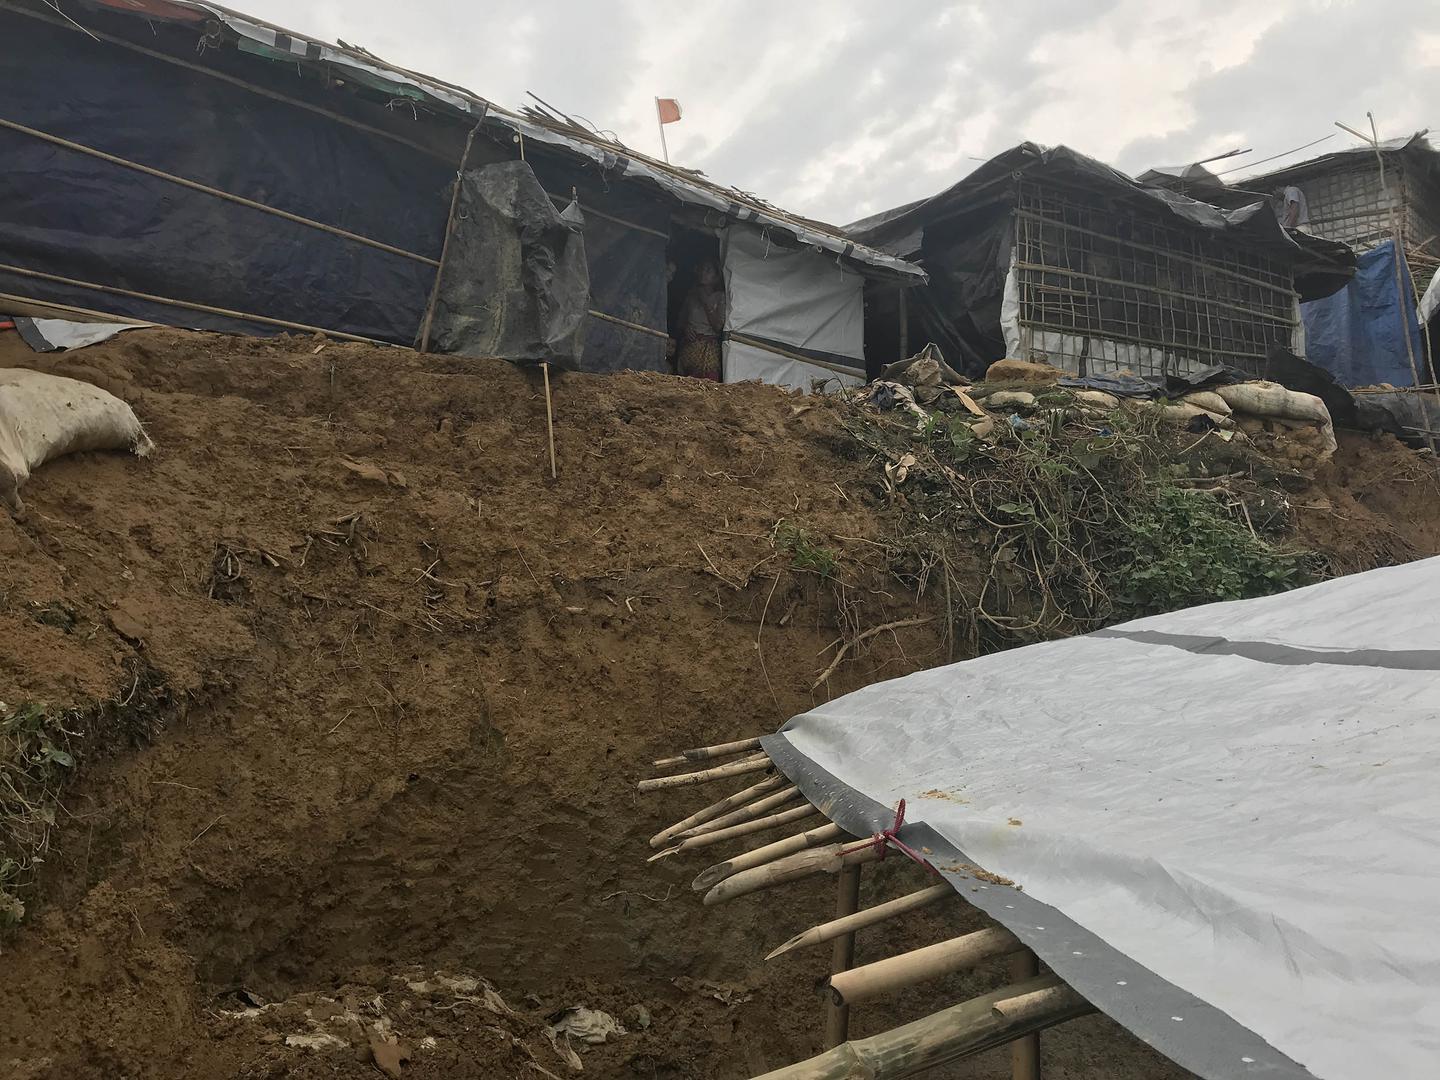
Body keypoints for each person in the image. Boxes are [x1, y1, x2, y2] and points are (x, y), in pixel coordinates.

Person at [676, 259, 725, 381]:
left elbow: (718, 326)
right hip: (690, 348)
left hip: (708, 353)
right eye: (702, 269)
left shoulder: (720, 297)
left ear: (716, 276)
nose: (703, 273)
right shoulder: (691, 296)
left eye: (708, 270)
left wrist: (706, 303)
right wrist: (686, 328)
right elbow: (680, 322)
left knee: (707, 387)